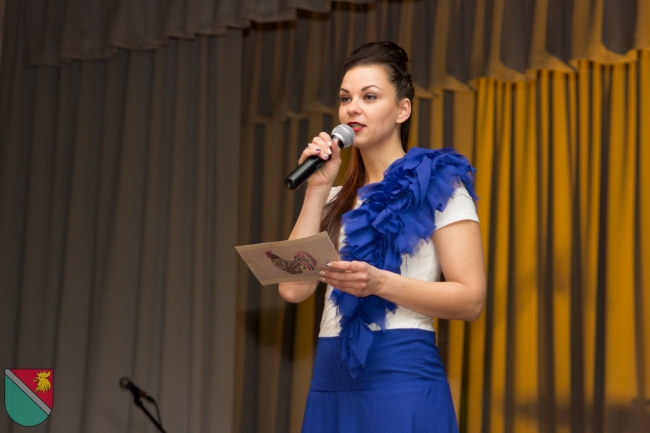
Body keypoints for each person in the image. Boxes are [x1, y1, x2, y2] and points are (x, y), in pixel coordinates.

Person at [278, 41, 486, 433]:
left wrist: (379, 283)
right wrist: (317, 189)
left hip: (401, 378)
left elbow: (471, 299)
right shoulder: (334, 198)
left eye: (369, 96)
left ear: (402, 110)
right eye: (345, 98)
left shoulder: (439, 184)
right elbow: (292, 288)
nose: (352, 108)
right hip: (331, 378)